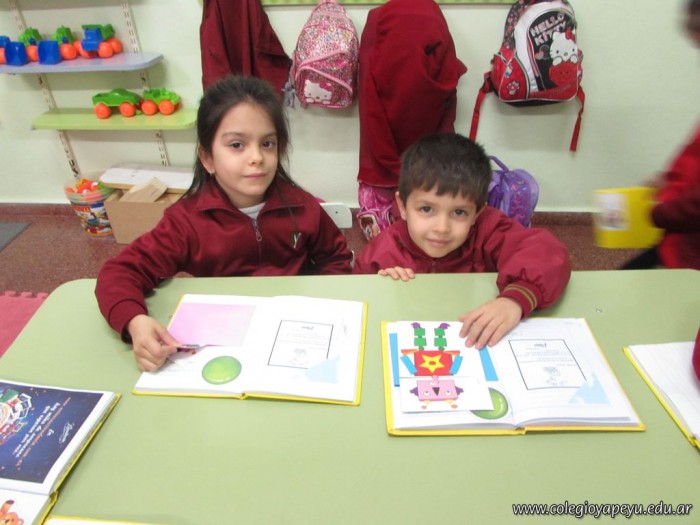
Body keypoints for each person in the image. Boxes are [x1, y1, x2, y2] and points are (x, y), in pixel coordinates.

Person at [96, 75, 353, 371]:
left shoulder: (303, 207)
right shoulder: (186, 222)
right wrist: (134, 321)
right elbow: (120, 272)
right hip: (224, 342)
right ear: (207, 158)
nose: (257, 157)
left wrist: (320, 305)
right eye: (237, 145)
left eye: (267, 143)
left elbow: (336, 259)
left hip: (294, 337)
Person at [353, 133, 572, 349]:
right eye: (426, 209)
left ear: (477, 213)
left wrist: (515, 300)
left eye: (459, 212)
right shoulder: (383, 251)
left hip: (475, 340)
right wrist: (380, 286)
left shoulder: (488, 229)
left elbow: (546, 252)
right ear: (402, 206)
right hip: (411, 339)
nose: (442, 228)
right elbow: (356, 301)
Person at [622, 0, 700, 270]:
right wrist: (669, 180)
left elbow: (694, 207)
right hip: (679, 238)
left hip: (688, 253)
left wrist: (656, 211)